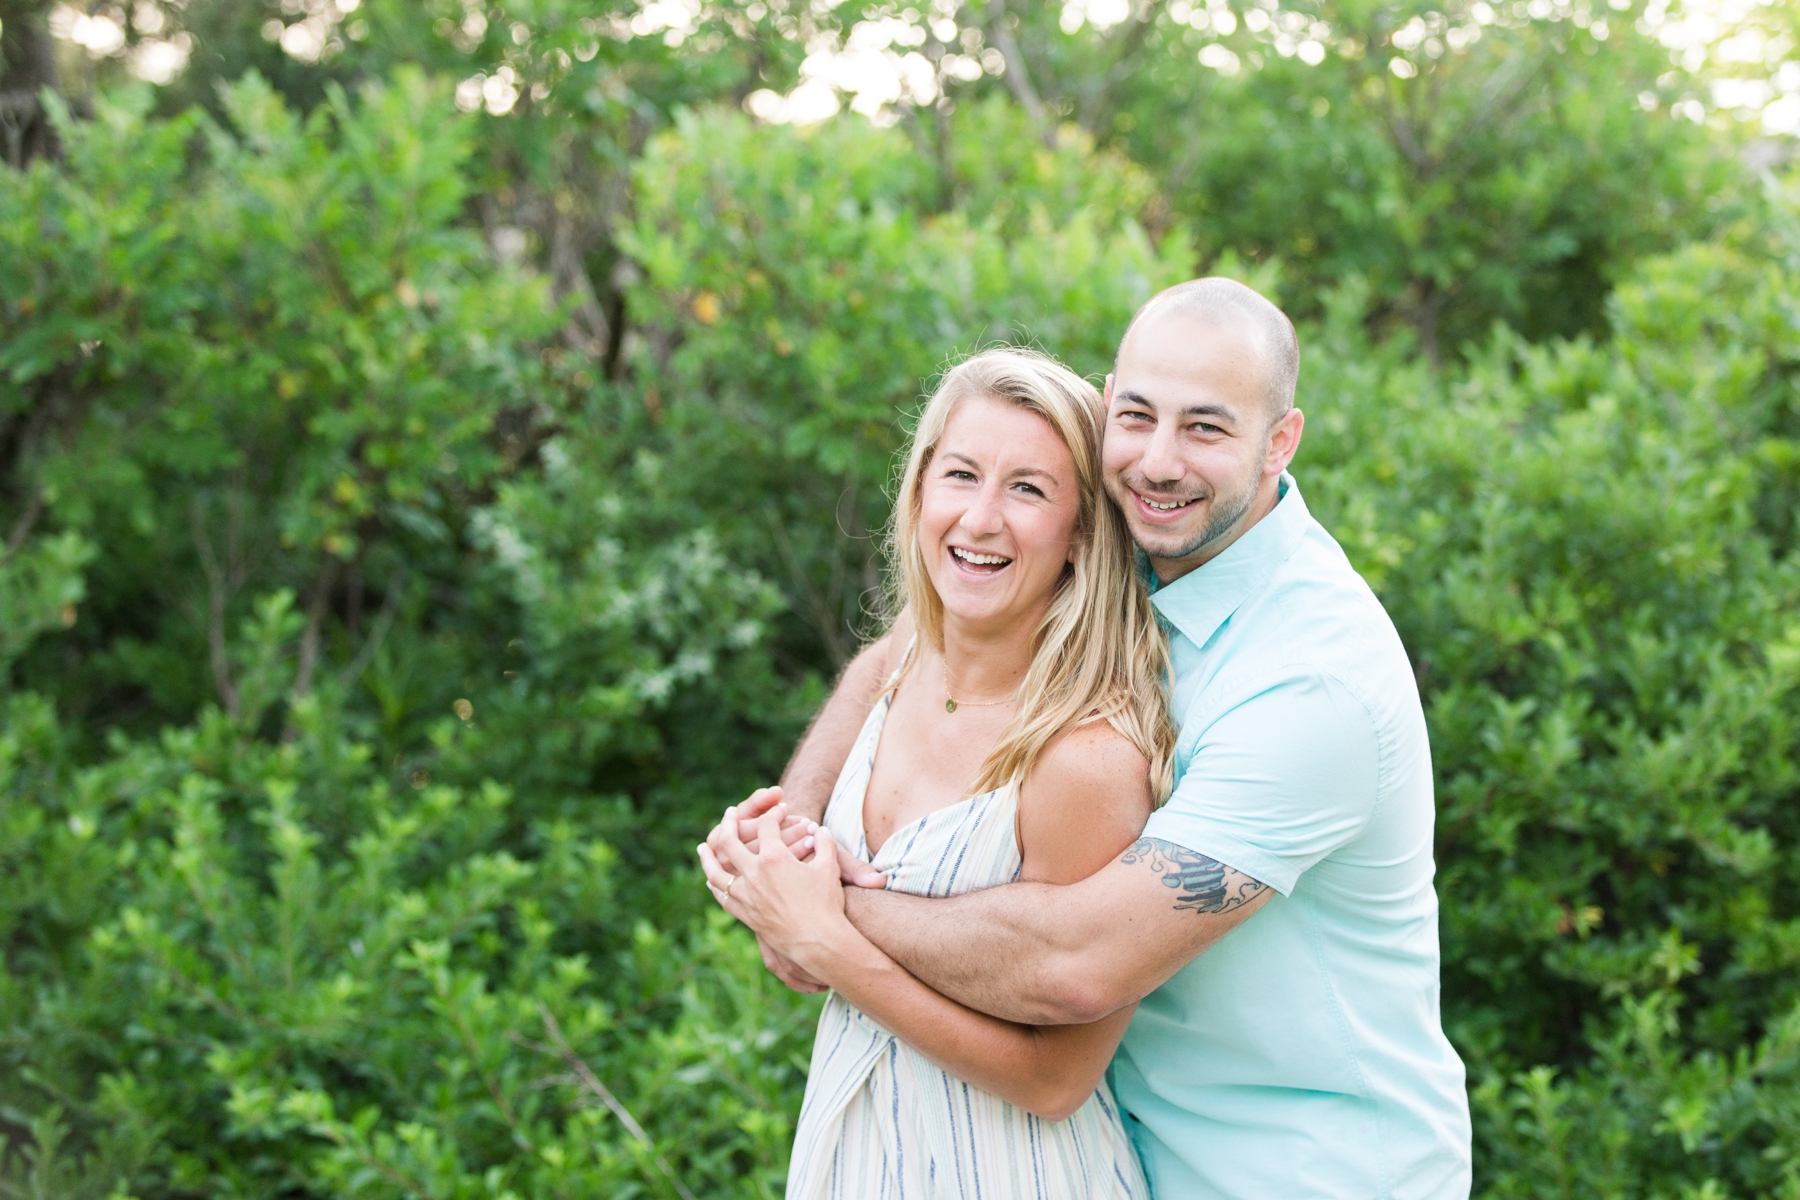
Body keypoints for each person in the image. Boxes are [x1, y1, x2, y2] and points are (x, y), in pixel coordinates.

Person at [705, 279, 1475, 1198]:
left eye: (1205, 428)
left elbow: (1075, 966)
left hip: (1302, 1171)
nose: (1158, 460)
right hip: (1128, 1160)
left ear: (1279, 444)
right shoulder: (1123, 540)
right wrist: (788, 822)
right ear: (1109, 400)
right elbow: (910, 645)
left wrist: (814, 907)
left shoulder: (1311, 683)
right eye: (1138, 415)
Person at [701, 347, 1178, 1198]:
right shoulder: (906, 662)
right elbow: (868, 674)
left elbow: (1054, 1082)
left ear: (1079, 534)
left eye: (1028, 489)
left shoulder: (1085, 759)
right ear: (920, 491)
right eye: (961, 474)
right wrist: (785, 829)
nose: (981, 518)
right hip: (851, 1161)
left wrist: (822, 931)